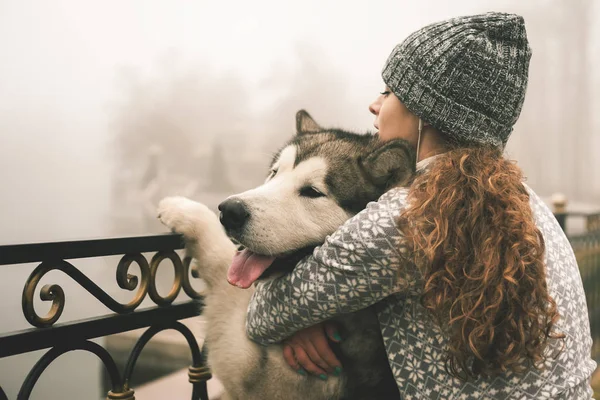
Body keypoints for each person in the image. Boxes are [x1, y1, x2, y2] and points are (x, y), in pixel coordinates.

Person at [245, 12, 596, 399]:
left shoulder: (405, 217)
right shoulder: (528, 203)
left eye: (388, 92)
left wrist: (301, 317)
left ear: (425, 113)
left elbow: (262, 318)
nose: (374, 106)